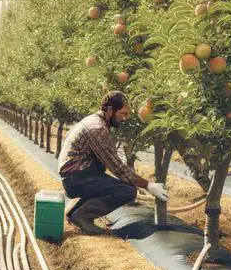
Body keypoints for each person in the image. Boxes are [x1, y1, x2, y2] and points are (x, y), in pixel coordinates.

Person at [58, 91, 169, 234]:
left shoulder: (95, 120)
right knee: (127, 191)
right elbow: (116, 167)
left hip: (77, 175)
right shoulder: (97, 129)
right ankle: (83, 216)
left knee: (107, 180)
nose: (126, 118)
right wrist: (149, 185)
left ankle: (74, 212)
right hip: (76, 178)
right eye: (123, 113)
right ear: (110, 110)